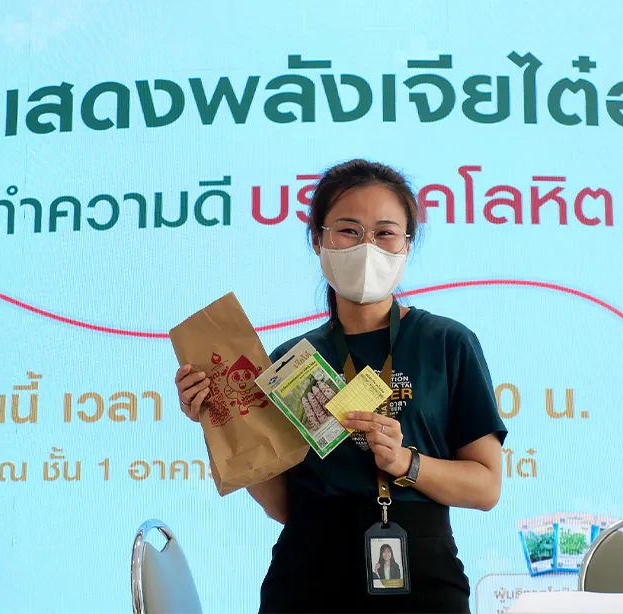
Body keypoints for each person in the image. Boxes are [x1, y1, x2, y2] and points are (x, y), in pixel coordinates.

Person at [175, 159, 508, 613]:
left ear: (406, 245)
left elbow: (486, 486)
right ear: (318, 240)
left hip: (422, 577)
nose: (367, 246)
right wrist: (218, 418)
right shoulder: (290, 361)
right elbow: (282, 506)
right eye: (348, 230)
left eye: (385, 233)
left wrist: (405, 462)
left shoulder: (448, 343)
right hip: (307, 576)